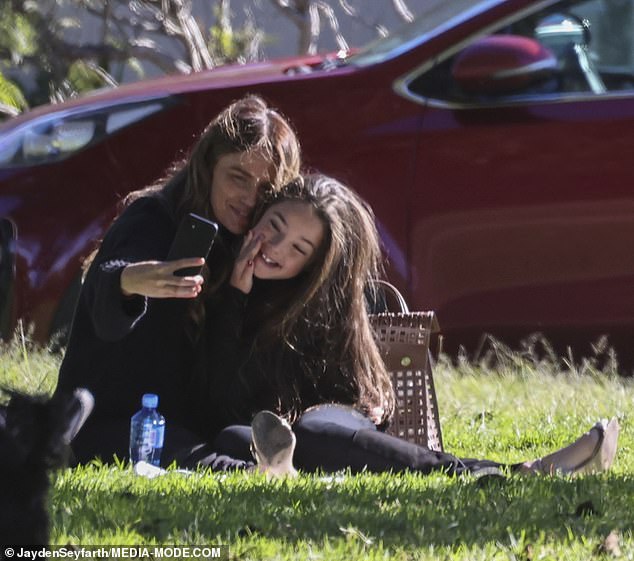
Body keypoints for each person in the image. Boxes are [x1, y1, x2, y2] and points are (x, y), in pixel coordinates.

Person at [185, 174, 620, 477]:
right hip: (263, 437)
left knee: (313, 432)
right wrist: (235, 301)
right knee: (231, 436)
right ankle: (281, 473)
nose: (275, 248)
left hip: (329, 431)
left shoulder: (317, 307)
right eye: (273, 227)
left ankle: (517, 472)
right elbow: (221, 404)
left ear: (313, 265)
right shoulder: (218, 281)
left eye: (297, 247)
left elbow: (352, 403)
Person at [54, 94, 301, 467]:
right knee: (203, 457)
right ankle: (264, 478)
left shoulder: (250, 249)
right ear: (207, 167)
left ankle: (271, 469)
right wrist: (130, 282)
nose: (250, 198)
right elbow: (105, 295)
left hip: (192, 424)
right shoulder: (152, 218)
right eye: (238, 177)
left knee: (232, 441)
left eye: (265, 190)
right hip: (110, 424)